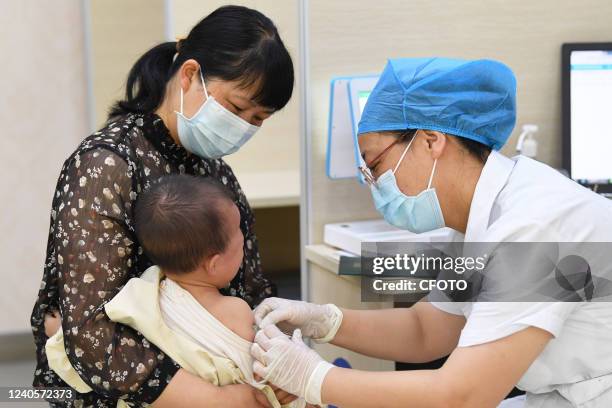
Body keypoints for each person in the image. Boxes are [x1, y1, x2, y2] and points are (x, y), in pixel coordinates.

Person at [251, 58, 612, 407]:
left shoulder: (531, 227)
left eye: (375, 165)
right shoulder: (478, 217)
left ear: (430, 140)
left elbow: (462, 396)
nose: (374, 185)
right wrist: (324, 320)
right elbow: (427, 329)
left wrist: (315, 379)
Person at [31, 5, 294, 407]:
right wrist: (220, 399)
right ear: (190, 75)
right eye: (238, 109)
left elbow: (249, 286)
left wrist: (275, 363)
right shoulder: (106, 165)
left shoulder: (215, 173)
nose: (244, 127)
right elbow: (90, 332)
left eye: (259, 119)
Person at [44, 175, 301, 408]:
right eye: (238, 235)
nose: (244, 241)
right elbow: (266, 376)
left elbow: (91, 342)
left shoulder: (142, 294)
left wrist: (59, 329)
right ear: (214, 263)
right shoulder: (236, 311)